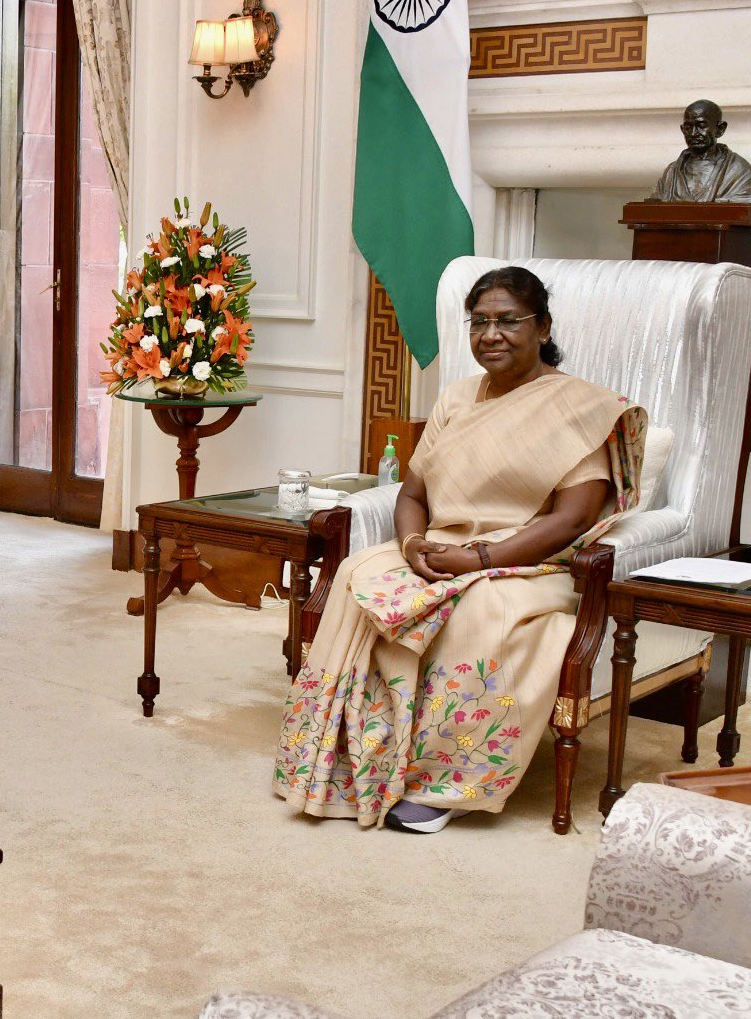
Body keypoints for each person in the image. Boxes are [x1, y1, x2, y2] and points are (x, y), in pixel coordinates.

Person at [274, 266, 646, 833]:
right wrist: (412, 543)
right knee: (355, 573)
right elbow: (413, 492)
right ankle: (349, 758)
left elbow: (574, 519)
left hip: (526, 560)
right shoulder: (455, 398)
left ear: (542, 327)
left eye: (507, 321)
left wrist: (479, 560)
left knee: (477, 613)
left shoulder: (581, 409)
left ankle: (439, 786)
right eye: (479, 322)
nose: (490, 335)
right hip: (438, 547)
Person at [649, 99, 751, 204]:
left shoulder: (736, 169)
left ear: (720, 129)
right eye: (688, 127)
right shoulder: (671, 173)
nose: (693, 133)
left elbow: (744, 205)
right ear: (682, 130)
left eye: (701, 126)